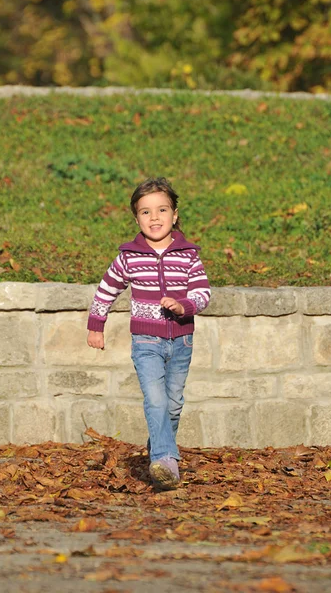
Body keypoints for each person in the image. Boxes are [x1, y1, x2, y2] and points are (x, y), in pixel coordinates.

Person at [87, 177, 211, 489]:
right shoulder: (129, 256)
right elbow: (106, 290)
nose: (154, 218)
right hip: (146, 342)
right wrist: (96, 325)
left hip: (182, 341)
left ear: (175, 214)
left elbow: (203, 294)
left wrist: (183, 305)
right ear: (136, 218)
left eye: (161, 210)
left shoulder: (188, 255)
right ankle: (166, 460)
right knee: (155, 400)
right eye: (145, 212)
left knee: (173, 404)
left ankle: (158, 450)